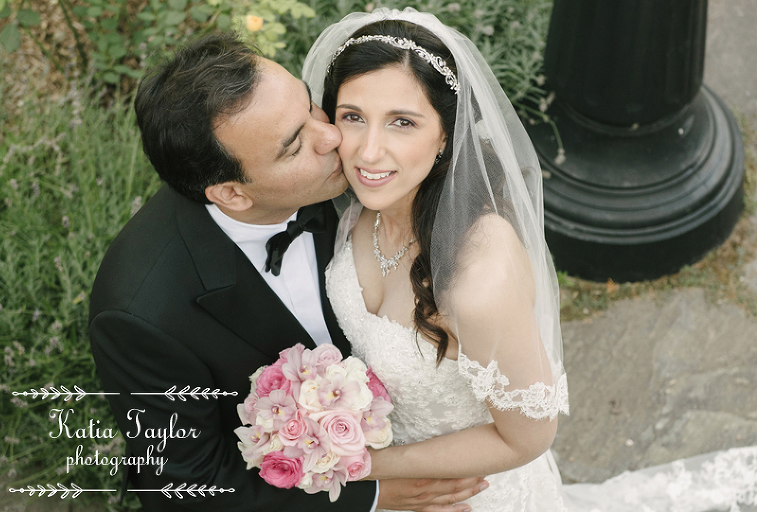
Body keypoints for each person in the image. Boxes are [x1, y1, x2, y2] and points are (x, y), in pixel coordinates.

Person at [304, 8, 757, 512]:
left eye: (403, 123)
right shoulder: (359, 205)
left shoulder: (477, 278)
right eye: (353, 117)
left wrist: (362, 467)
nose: (368, 151)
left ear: (446, 136)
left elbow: (526, 438)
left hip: (465, 495)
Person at [89, 31, 488, 512]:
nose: (335, 137)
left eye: (310, 107)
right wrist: (372, 498)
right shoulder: (141, 313)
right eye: (295, 146)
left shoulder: (360, 171)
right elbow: (184, 485)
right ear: (232, 193)